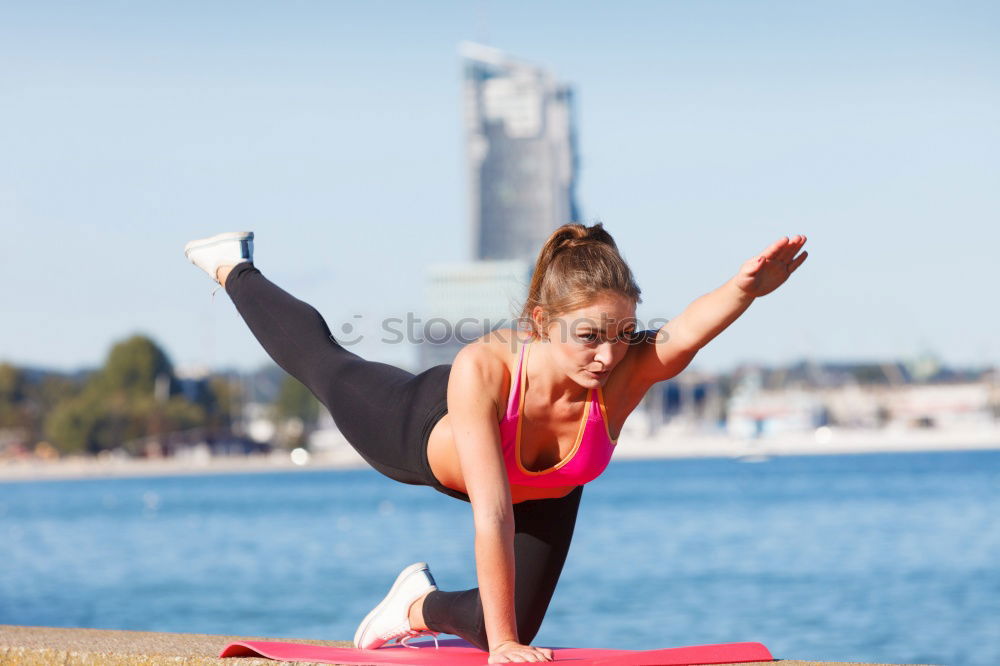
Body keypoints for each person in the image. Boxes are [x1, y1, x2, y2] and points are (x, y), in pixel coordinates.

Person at [183, 224, 807, 663]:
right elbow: (493, 511)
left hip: (546, 493)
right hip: (422, 430)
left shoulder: (622, 371)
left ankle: (415, 606)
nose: (609, 353)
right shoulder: (486, 366)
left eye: (622, 332)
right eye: (589, 335)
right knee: (327, 366)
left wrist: (745, 288)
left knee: (502, 624)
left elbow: (688, 331)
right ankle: (232, 265)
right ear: (539, 323)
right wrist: (504, 650)